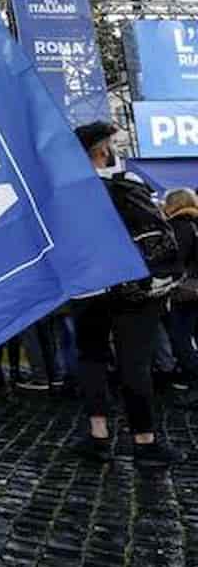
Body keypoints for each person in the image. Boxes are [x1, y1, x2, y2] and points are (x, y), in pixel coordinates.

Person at [71, 121, 183, 467]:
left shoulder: (64, 193)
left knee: (91, 361)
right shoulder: (127, 184)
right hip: (132, 288)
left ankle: (99, 436)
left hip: (85, 289)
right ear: (103, 150)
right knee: (134, 364)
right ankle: (144, 442)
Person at [163, 188, 198, 389]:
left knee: (180, 336)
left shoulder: (177, 227)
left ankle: (192, 380)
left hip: (185, 291)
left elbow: (176, 261)